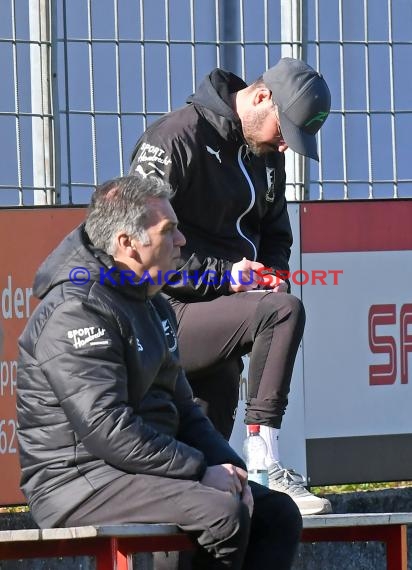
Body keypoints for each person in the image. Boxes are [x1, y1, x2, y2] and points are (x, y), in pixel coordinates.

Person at [16, 176, 302, 569]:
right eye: (168, 231)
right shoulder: (75, 310)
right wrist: (200, 471)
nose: (182, 240)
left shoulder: (154, 303)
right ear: (126, 243)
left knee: (277, 513)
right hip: (79, 482)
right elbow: (109, 429)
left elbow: (184, 409)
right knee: (221, 514)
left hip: (137, 472)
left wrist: (228, 468)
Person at [129, 57, 332, 515]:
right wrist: (226, 276)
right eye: (284, 132)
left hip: (218, 325)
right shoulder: (173, 139)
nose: (284, 147)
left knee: (205, 489)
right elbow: (141, 248)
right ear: (262, 97)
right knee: (283, 311)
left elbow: (277, 233)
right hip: (161, 314)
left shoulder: (265, 156)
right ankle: (264, 463)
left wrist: (270, 274)